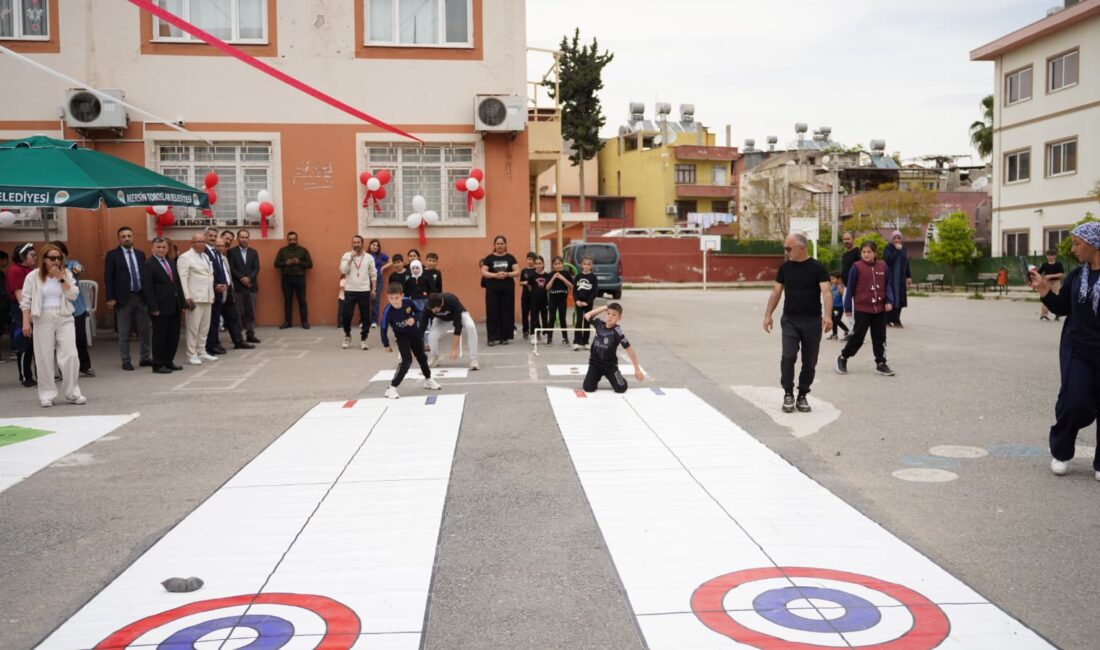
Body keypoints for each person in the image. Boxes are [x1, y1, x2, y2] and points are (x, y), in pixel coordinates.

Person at [1029, 222, 1100, 480]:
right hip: (1078, 350)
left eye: (1077, 243)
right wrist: (1042, 287)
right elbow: (1060, 307)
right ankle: (1061, 450)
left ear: (1094, 244)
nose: (1073, 249)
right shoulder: (1076, 276)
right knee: (1074, 402)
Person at [762, 232, 832, 413]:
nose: (786, 252)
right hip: (790, 320)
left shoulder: (818, 268)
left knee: (809, 361)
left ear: (801, 248)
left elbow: (826, 293)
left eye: (788, 248)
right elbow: (776, 292)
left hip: (812, 321)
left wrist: (828, 316)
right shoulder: (785, 268)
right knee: (788, 357)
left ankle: (802, 395)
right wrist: (768, 314)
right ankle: (788, 393)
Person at [19, 243, 85, 407]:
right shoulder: (33, 276)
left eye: (59, 258)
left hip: (64, 316)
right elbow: (25, 301)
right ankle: (47, 394)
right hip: (42, 317)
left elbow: (73, 295)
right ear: (44, 259)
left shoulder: (67, 274)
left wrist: (60, 277)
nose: (56, 261)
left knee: (70, 355)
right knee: (44, 356)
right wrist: (26, 322)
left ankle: (72, 392)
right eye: (52, 258)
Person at [838, 241, 895, 377]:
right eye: (864, 252)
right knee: (858, 338)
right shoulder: (856, 267)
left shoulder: (883, 266)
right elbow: (850, 289)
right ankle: (843, 357)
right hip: (862, 309)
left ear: (875, 253)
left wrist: (889, 300)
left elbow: (888, 285)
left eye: (869, 252)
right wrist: (847, 307)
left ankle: (881, 363)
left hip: (879, 309)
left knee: (880, 337)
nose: (866, 254)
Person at [379, 282, 441, 399]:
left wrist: (413, 318)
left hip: (414, 333)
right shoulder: (388, 311)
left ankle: (428, 380)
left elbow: (420, 312)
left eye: (397, 298)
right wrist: (386, 344)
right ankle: (392, 388)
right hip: (401, 336)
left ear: (402, 295)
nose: (394, 301)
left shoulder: (408, 302)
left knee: (422, 357)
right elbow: (383, 328)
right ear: (388, 297)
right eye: (391, 298)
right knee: (406, 361)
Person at [104, 226, 153, 370]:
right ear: (119, 239)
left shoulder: (140, 254)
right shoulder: (112, 255)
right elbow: (108, 278)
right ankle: (126, 360)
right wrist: (110, 298)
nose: (126, 238)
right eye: (123, 236)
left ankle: (145, 357)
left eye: (129, 236)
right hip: (123, 298)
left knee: (145, 330)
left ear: (133, 237)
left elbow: (143, 275)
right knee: (124, 332)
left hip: (140, 296)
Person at [142, 237, 186, 373]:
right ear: (153, 248)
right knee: (160, 336)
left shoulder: (171, 262)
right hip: (160, 307)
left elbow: (177, 284)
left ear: (167, 249)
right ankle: (158, 364)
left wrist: (182, 304)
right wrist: (153, 307)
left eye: (164, 247)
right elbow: (147, 288)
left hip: (174, 305)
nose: (161, 249)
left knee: (173, 335)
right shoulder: (148, 264)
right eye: (158, 247)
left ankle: (168, 361)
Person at [53, 242, 95, 377]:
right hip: (60, 310)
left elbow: (80, 268)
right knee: (62, 342)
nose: (57, 257)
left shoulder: (71, 264)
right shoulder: (49, 269)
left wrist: (77, 269)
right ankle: (64, 370)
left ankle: (85, 366)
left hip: (77, 308)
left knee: (80, 338)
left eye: (60, 254)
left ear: (65, 254)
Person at [581, 303, 643, 393]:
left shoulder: (617, 332)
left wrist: (637, 369)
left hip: (610, 366)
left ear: (619, 318)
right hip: (595, 364)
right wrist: (604, 307)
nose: (610, 317)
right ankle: (595, 376)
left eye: (614, 315)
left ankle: (618, 376)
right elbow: (587, 315)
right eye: (608, 313)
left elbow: (629, 350)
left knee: (621, 388)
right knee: (588, 388)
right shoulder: (599, 324)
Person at [177, 233, 218, 366]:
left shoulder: (205, 256)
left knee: (204, 327)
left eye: (202, 241)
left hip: (207, 296)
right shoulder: (185, 257)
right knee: (193, 328)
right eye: (197, 241)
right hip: (194, 298)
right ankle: (191, 354)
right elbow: (182, 279)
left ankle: (201, 351)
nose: (200, 244)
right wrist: (186, 297)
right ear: (191, 242)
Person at [424, 292, 480, 371]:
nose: (433, 312)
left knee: (471, 327)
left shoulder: (451, 300)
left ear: (441, 305)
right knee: (432, 335)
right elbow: (422, 324)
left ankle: (474, 359)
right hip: (442, 320)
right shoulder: (428, 305)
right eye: (431, 309)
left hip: (460, 316)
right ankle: (435, 357)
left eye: (435, 309)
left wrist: (454, 348)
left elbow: (458, 326)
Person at [339, 234, 377, 350]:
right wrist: (351, 258)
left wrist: (373, 288)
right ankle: (347, 335)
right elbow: (343, 270)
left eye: (358, 243)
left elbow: (373, 273)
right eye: (354, 242)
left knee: (366, 317)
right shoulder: (346, 255)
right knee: (346, 315)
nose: (356, 244)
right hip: (350, 290)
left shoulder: (369, 257)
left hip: (364, 290)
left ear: (362, 243)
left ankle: (364, 339)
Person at [215, 237, 254, 350]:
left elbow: (228, 275)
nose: (221, 248)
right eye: (218, 246)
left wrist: (231, 289)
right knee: (216, 320)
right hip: (218, 291)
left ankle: (238, 341)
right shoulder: (210, 259)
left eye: (223, 246)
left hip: (228, 291)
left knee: (233, 317)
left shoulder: (224, 258)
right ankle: (215, 344)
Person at [480, 235, 519, 346]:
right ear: (494, 245)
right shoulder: (489, 258)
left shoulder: (511, 258)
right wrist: (495, 275)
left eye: (502, 243)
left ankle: (504, 337)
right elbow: (484, 272)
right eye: (498, 243)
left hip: (508, 290)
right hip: (492, 290)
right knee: (492, 313)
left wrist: (507, 274)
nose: (500, 245)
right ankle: (491, 338)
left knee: (506, 313)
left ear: (505, 245)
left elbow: (517, 271)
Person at [7, 243, 37, 386]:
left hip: (29, 308)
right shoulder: (15, 270)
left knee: (32, 344)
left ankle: (31, 375)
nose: (35, 257)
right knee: (25, 343)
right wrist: (27, 313)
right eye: (32, 255)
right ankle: (25, 377)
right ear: (22, 256)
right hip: (21, 309)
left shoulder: (29, 270)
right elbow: (19, 293)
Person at [228, 229, 261, 343]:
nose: (244, 239)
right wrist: (242, 278)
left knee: (251, 313)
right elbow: (231, 268)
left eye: (246, 237)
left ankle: (250, 334)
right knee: (238, 313)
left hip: (251, 286)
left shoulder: (254, 252)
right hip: (238, 287)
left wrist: (249, 278)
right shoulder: (231, 252)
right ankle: (239, 337)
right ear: (238, 239)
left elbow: (256, 268)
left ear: (249, 239)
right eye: (242, 237)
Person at [274, 231, 313, 329]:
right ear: (287, 240)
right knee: (287, 301)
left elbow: (310, 264)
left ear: (297, 239)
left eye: (294, 239)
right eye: (290, 239)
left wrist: (299, 262)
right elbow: (276, 264)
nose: (292, 241)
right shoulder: (282, 250)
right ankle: (287, 322)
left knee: (302, 300)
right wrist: (285, 263)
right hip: (286, 278)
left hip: (300, 278)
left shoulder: (303, 250)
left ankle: (304, 322)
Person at [203, 227, 230, 356]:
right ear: (205, 236)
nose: (213, 238)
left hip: (220, 290)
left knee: (215, 320)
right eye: (211, 235)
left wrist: (224, 283)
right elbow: (206, 273)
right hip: (211, 290)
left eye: (215, 235)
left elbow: (220, 270)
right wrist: (215, 285)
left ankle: (214, 343)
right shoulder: (204, 251)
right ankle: (209, 345)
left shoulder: (216, 251)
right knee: (210, 320)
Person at [883, 230, 911, 328]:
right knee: (891, 299)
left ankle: (896, 320)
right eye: (895, 238)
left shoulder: (904, 249)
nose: (897, 240)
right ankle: (887, 320)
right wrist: (896, 250)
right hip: (891, 279)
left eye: (898, 238)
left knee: (900, 300)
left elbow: (906, 263)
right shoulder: (888, 248)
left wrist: (909, 276)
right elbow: (888, 260)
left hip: (900, 280)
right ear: (892, 239)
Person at [571, 257, 599, 351]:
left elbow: (594, 292)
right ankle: (576, 342)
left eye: (588, 264)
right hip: (579, 303)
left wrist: (587, 302)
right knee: (579, 322)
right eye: (585, 264)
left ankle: (585, 342)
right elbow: (574, 290)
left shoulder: (593, 277)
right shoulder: (578, 276)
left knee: (587, 322)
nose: (586, 266)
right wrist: (577, 301)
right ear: (582, 265)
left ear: (591, 266)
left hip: (588, 303)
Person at [546, 256, 574, 346]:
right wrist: (554, 278)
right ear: (553, 265)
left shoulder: (566, 273)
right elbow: (547, 287)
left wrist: (562, 278)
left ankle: (565, 338)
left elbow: (571, 286)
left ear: (562, 264)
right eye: (555, 264)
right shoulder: (550, 274)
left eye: (559, 263)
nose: (557, 266)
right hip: (552, 299)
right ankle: (549, 338)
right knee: (551, 318)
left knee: (562, 318)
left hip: (562, 299)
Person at [527, 256, 550, 344]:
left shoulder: (546, 275)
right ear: (534, 265)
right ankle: (533, 335)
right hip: (534, 300)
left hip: (544, 300)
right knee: (534, 318)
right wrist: (534, 293)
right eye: (536, 264)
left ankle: (545, 334)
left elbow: (548, 287)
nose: (538, 265)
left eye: (540, 263)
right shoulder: (532, 276)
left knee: (544, 318)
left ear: (543, 264)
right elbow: (529, 287)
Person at [1038, 250, 1065, 321]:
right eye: (1049, 255)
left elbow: (1062, 274)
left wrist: (1050, 276)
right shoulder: (1044, 265)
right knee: (1046, 298)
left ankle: (1057, 314)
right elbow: (1038, 273)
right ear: (1047, 256)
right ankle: (1043, 314)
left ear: (1055, 256)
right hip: (1046, 282)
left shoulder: (1058, 264)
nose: (1050, 257)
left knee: (1056, 298)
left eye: (1052, 255)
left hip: (1056, 282)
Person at [367, 239, 389, 328]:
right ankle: (364, 321)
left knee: (375, 299)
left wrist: (383, 268)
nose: (375, 247)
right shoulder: (366, 255)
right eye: (373, 245)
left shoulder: (381, 255)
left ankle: (374, 321)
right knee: (364, 300)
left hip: (378, 279)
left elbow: (390, 261)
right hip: (366, 279)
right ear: (370, 246)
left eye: (377, 245)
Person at [826, 271, 850, 341]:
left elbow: (844, 295)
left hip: (839, 307)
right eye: (831, 279)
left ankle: (846, 330)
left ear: (839, 279)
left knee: (837, 320)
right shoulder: (833, 286)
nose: (831, 280)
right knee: (833, 320)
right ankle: (834, 334)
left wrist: (841, 289)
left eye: (833, 278)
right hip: (833, 306)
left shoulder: (841, 286)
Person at [520, 252, 537, 341]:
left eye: (532, 259)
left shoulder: (536, 271)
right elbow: (520, 282)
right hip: (525, 295)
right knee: (525, 313)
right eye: (529, 259)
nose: (530, 261)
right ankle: (525, 331)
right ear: (527, 260)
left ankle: (533, 331)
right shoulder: (524, 271)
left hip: (533, 295)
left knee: (534, 313)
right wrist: (525, 283)